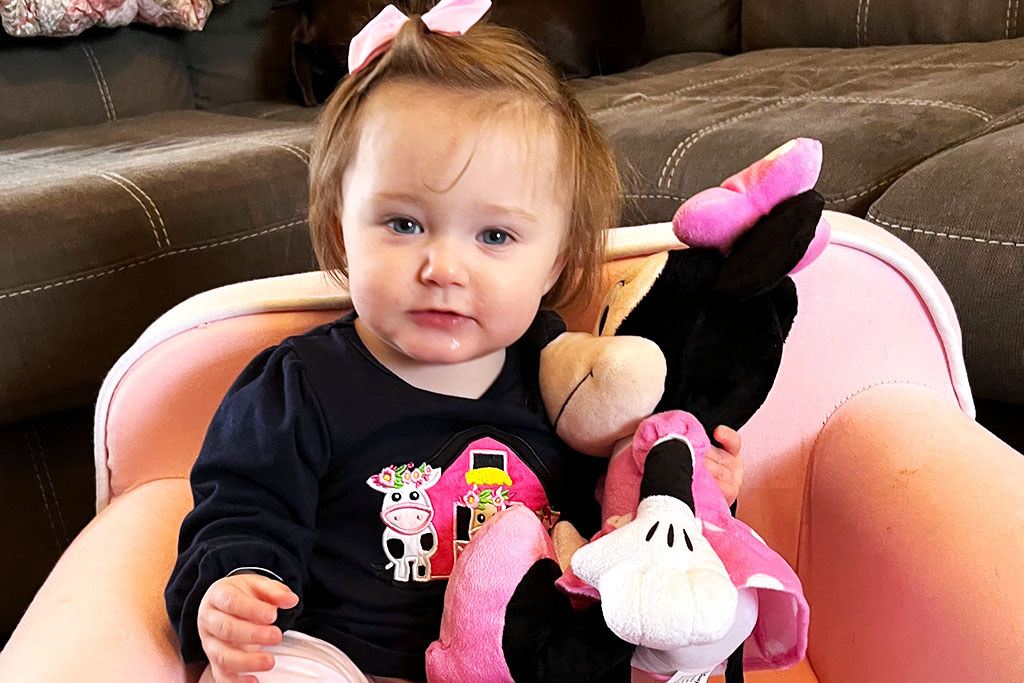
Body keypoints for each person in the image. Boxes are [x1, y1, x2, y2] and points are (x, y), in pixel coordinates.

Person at [164, 2, 744, 682]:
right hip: (345, 657)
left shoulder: (563, 377)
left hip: (524, 658)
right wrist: (231, 588)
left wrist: (695, 489)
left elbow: (618, 516)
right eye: (404, 223)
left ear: (555, 262)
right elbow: (241, 509)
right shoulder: (300, 383)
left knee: (699, 617)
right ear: (339, 224)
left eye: (494, 236)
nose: (442, 267)